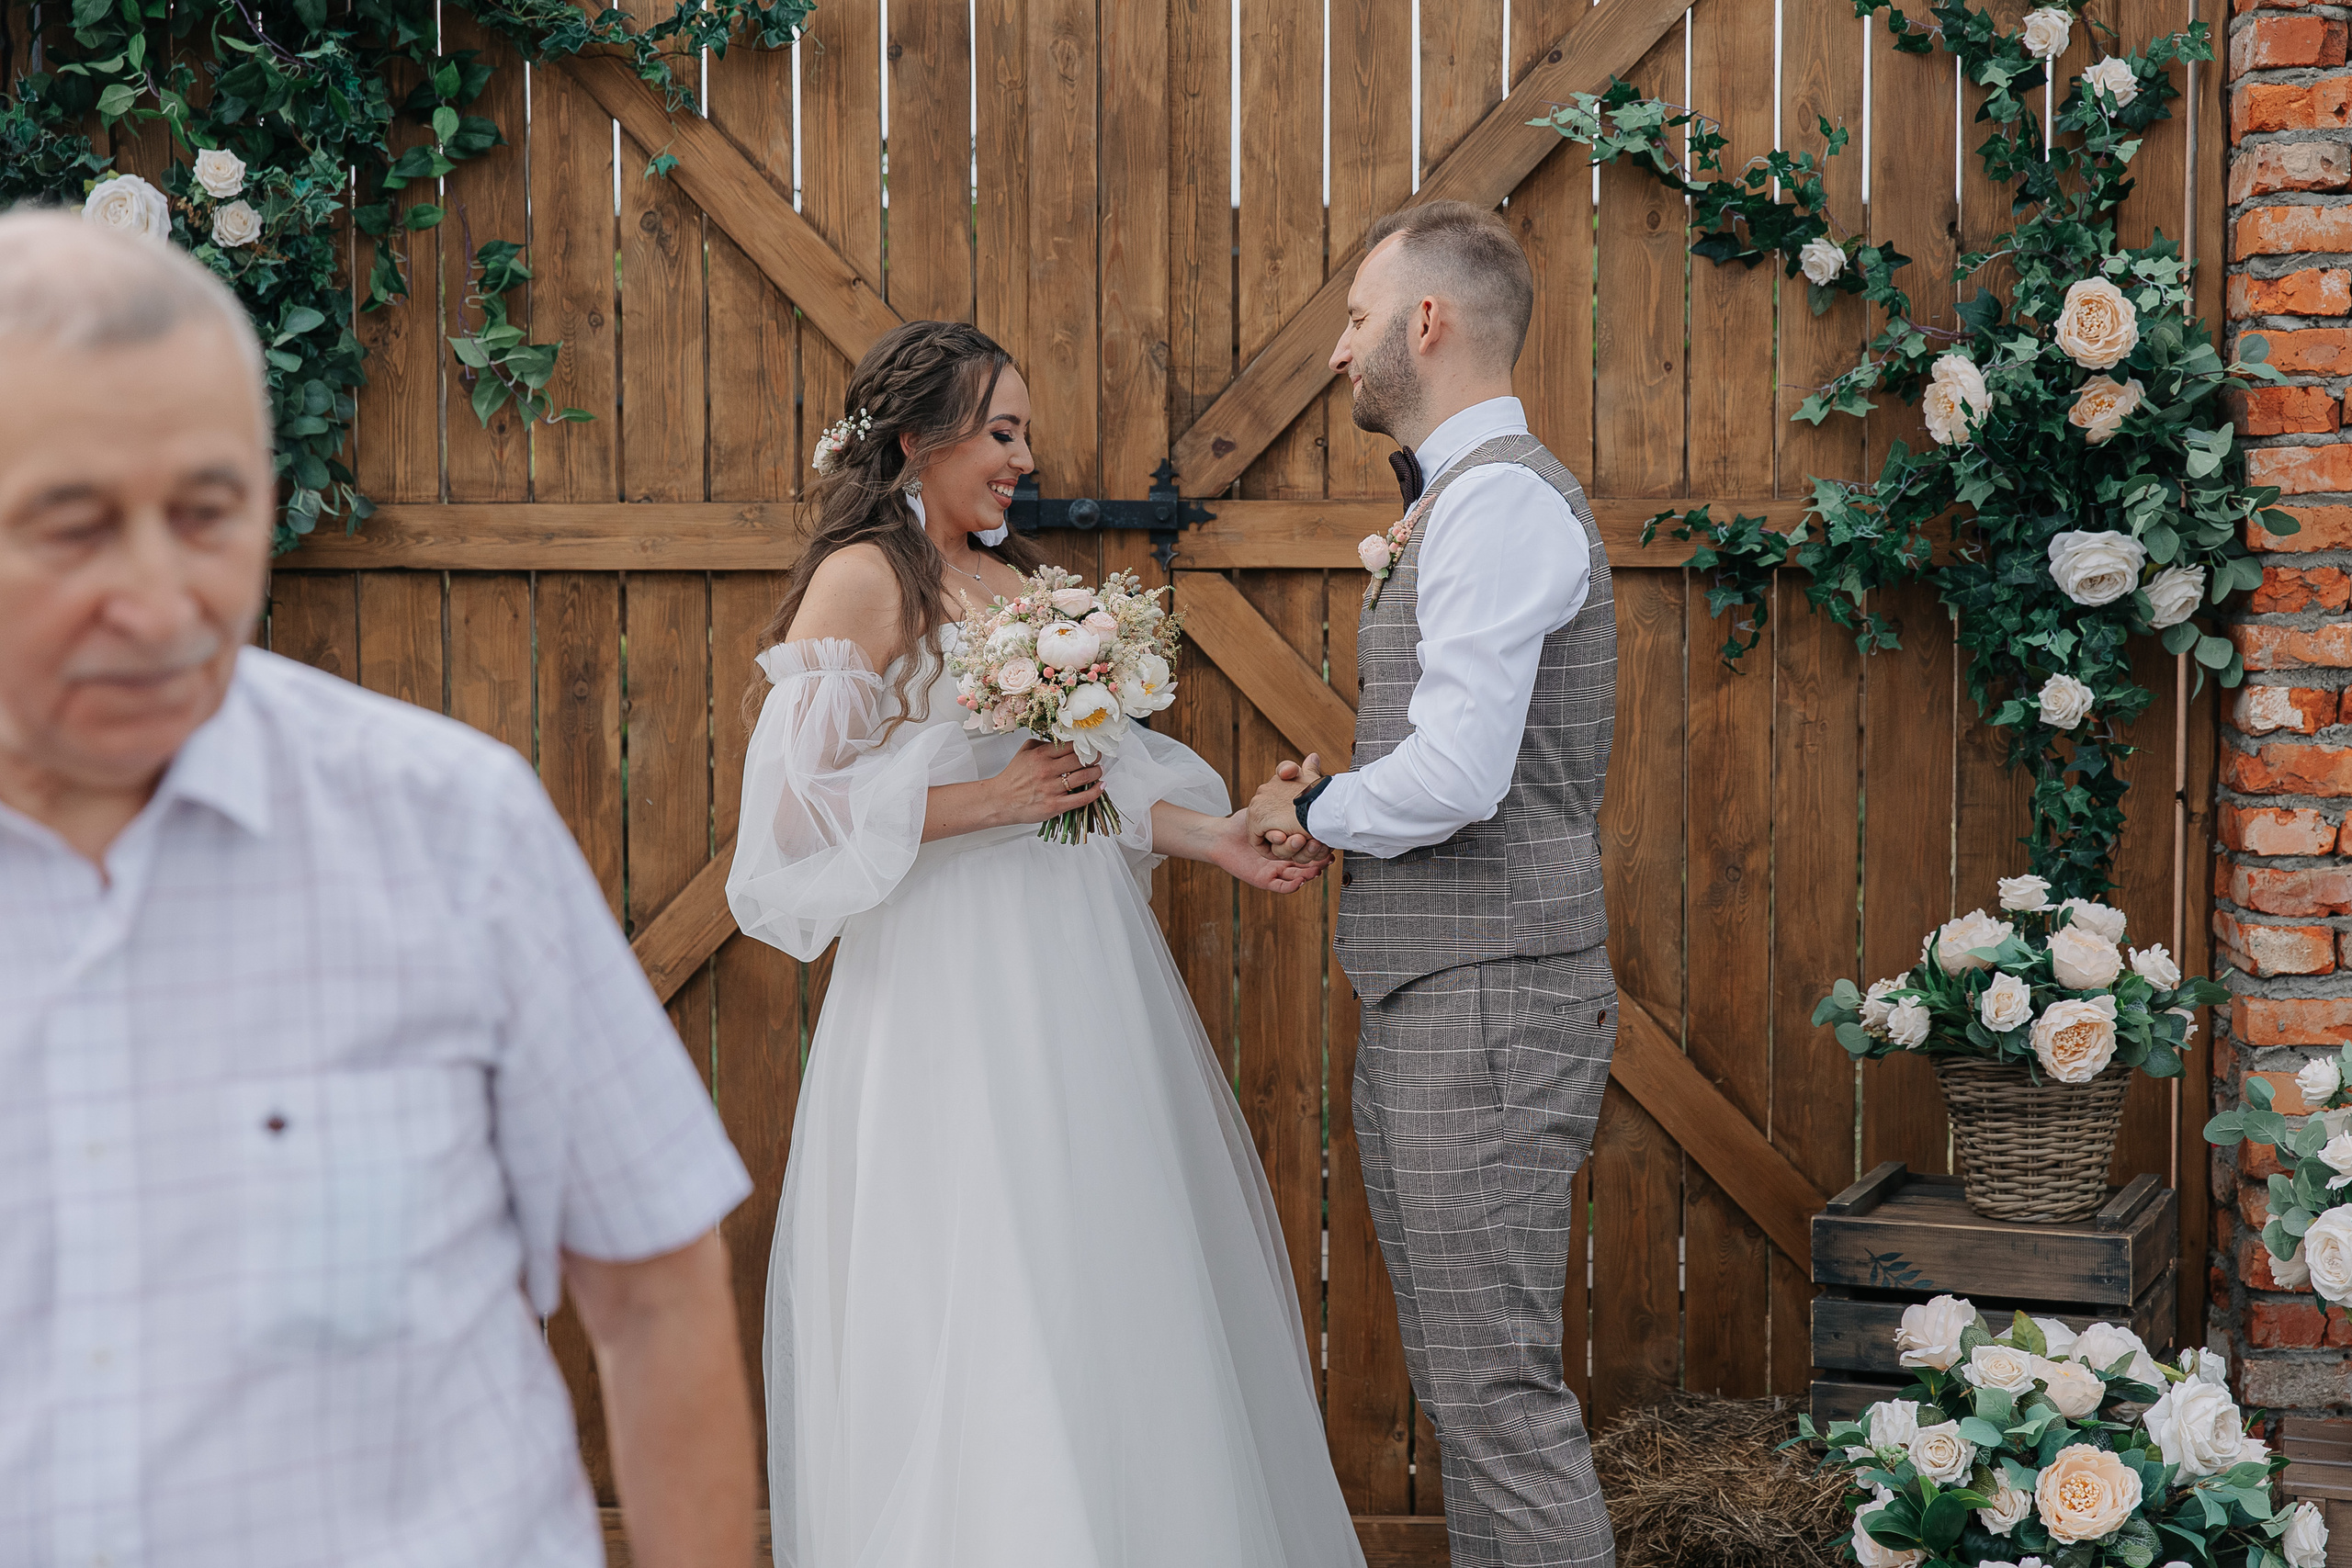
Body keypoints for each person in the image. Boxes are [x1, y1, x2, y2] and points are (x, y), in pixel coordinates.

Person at [0, 209, 759, 1567]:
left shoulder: (450, 830)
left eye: (208, 513)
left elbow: (656, 1292)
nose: (165, 601)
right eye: (73, 528)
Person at [726, 321, 1364, 1567]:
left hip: (1078, 983)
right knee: (979, 1273)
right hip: (944, 990)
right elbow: (793, 820)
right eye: (1003, 431)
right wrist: (984, 805)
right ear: (919, 439)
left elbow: (1099, 782)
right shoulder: (868, 577)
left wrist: (1224, 838)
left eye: (1027, 435)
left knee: (1098, 1279)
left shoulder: (1031, 594)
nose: (1024, 459)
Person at [1248, 200, 1620, 1568]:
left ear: (1424, 322)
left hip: (1488, 1009)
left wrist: (1320, 809)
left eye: (1354, 317)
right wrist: (1334, 806)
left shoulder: (1502, 501)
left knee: (1499, 1404)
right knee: (1474, 1398)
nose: (1339, 351)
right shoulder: (1464, 503)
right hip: (1445, 999)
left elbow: (1461, 775)